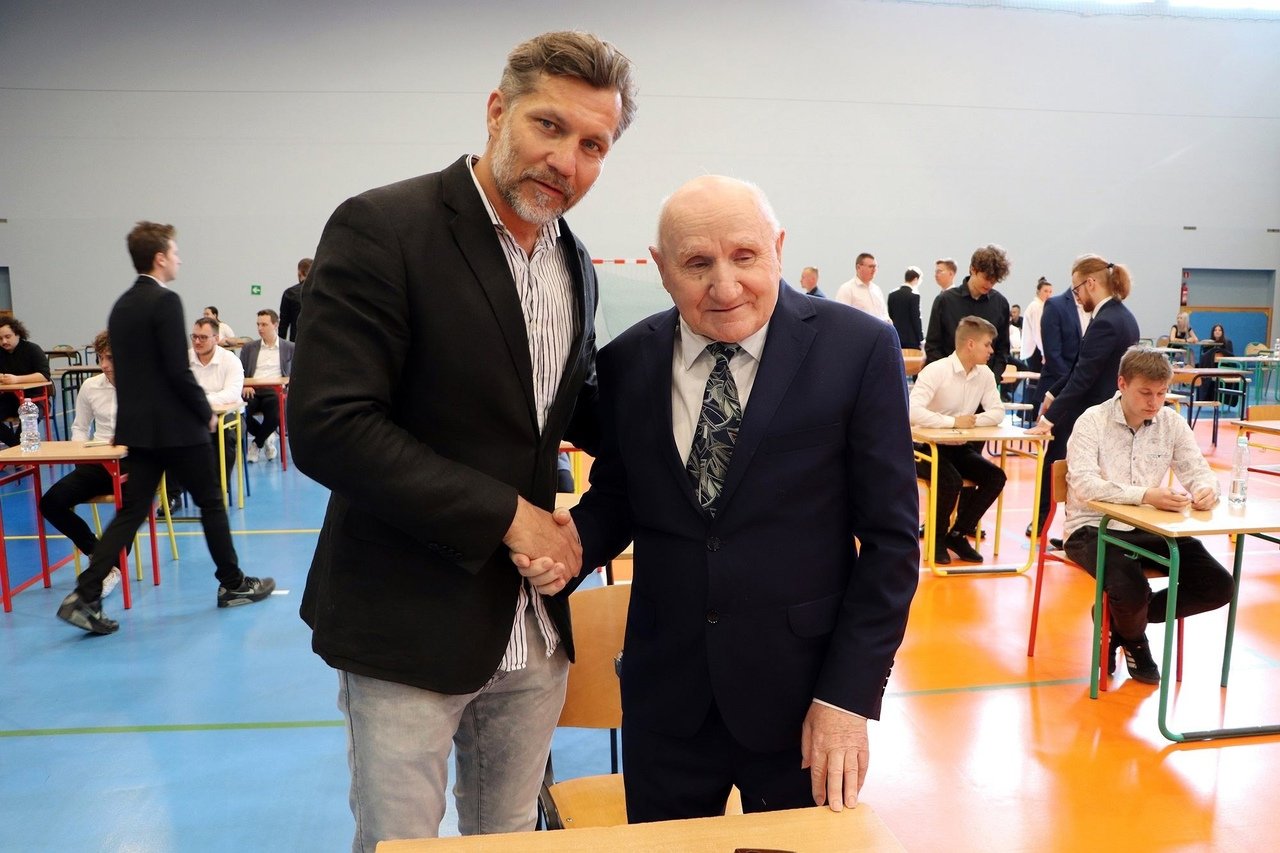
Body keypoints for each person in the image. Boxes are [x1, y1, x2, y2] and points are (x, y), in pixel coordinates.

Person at [286, 31, 637, 850]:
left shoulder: (574, 263)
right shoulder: (386, 226)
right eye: (549, 125)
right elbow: (332, 425)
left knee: (509, 835)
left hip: (532, 624)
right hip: (407, 620)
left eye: (593, 145)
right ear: (496, 111)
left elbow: (565, 406)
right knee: (402, 840)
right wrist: (509, 515)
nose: (566, 160)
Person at [524, 176, 918, 823]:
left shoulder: (858, 349)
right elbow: (623, 494)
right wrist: (572, 543)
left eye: (744, 256)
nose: (725, 286)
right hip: (666, 702)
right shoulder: (629, 362)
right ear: (661, 268)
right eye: (698, 263)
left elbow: (891, 543)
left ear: (778, 248)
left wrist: (847, 697)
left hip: (804, 701)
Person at [56, 221, 274, 635]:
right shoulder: (166, 301)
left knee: (133, 510)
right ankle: (233, 584)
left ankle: (85, 594)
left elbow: (130, 373)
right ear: (159, 258)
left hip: (138, 428)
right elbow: (177, 369)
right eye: (175, 252)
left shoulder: (121, 306)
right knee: (211, 500)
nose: (179, 259)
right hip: (175, 427)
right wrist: (203, 411)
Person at [1063, 346, 1233, 683]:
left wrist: (1206, 490)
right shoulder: (1091, 421)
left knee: (1218, 585)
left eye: (1161, 393)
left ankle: (1118, 620)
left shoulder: (1171, 423)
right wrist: (1145, 495)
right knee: (1130, 589)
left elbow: (1197, 469)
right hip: (1090, 528)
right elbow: (1084, 485)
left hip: (1149, 525)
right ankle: (1136, 642)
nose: (1154, 402)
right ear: (1122, 384)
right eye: (1145, 393)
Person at [1028, 255, 1140, 535]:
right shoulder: (1120, 316)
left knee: (1067, 470)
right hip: (1106, 410)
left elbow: (1083, 377)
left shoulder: (1106, 321)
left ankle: (1056, 526)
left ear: (1090, 283)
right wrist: (1053, 392)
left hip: (1093, 412)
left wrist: (1049, 419)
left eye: (1076, 289)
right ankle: (1076, 531)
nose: (1076, 296)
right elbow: (1081, 365)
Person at [909, 316, 1007, 565]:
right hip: (924, 449)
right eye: (987, 344)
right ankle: (936, 540)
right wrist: (953, 422)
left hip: (958, 448)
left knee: (996, 477)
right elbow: (912, 412)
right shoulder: (936, 370)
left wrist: (971, 421)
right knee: (950, 481)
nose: (991, 350)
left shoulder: (984, 374)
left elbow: (998, 412)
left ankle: (958, 534)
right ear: (970, 344)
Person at [39, 331, 126, 598]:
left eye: (110, 358)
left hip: (133, 463)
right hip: (98, 462)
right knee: (50, 503)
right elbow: (80, 427)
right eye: (100, 358)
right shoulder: (90, 386)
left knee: (129, 510)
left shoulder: (145, 386)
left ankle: (107, 567)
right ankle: (100, 557)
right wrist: (80, 456)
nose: (104, 365)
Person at [923, 245, 1013, 385]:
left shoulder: (1001, 304)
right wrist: (946, 378)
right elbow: (933, 346)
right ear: (973, 269)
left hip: (983, 385)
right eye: (986, 278)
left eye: (994, 281)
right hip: (948, 383)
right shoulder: (945, 301)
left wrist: (992, 378)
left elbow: (1003, 350)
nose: (989, 284)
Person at [240, 308, 294, 462]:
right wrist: (245, 385)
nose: (259, 328)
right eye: (258, 324)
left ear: (275, 325)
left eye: (264, 324)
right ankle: (265, 438)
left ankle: (256, 444)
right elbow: (240, 371)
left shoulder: (290, 348)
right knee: (241, 414)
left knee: (276, 414)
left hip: (275, 391)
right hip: (252, 390)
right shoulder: (248, 348)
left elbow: (296, 374)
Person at [0, 317, 52, 446]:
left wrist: (16, 379)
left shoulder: (32, 349)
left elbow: (44, 375)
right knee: (18, 440)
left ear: (18, 334)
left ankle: (16, 447)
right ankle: (15, 446)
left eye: (7, 337)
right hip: (9, 399)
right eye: (0, 339)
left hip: (35, 399)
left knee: (27, 422)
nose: (4, 341)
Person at [834, 252, 889, 322]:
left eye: (876, 266)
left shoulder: (877, 289)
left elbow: (884, 314)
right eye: (871, 266)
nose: (874, 270)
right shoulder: (847, 289)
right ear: (858, 267)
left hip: (879, 329)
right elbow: (841, 316)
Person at [1196, 323, 1234, 401]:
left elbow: (1230, 355)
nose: (1217, 332)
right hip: (1210, 366)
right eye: (1215, 330)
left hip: (1223, 366)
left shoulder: (1227, 342)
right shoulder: (1208, 343)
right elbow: (1205, 356)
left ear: (1222, 332)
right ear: (1212, 332)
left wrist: (1217, 350)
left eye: (1219, 330)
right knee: (1198, 366)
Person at [887, 266, 923, 349]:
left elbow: (891, 316)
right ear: (915, 279)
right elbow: (916, 319)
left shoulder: (892, 295)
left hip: (896, 337)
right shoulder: (914, 296)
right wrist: (921, 338)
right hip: (911, 339)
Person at [279, 258, 311, 342]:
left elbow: (283, 324)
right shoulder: (321, 293)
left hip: (297, 341)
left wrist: (280, 345)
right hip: (319, 342)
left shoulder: (290, 293)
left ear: (299, 272)